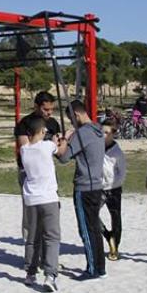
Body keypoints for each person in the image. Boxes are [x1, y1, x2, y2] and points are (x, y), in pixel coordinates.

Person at [57, 99, 107, 279]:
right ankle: (100, 267)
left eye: (71, 119)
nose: (71, 122)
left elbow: (63, 158)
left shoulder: (82, 133)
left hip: (84, 186)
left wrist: (64, 141)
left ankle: (93, 269)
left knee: (86, 229)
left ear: (77, 115)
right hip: (96, 185)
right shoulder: (97, 129)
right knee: (94, 228)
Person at [19, 114, 67, 292]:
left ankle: (30, 273)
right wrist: (63, 139)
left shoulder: (24, 149)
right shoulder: (47, 146)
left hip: (31, 199)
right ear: (42, 131)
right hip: (48, 199)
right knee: (52, 237)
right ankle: (50, 274)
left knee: (32, 238)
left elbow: (37, 143)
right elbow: (60, 150)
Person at [100, 122, 126, 261]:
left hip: (114, 189)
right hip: (99, 188)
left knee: (116, 218)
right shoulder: (97, 148)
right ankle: (107, 234)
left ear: (113, 134)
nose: (103, 135)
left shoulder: (117, 152)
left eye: (106, 132)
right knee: (91, 215)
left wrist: (114, 184)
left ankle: (115, 247)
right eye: (101, 132)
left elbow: (122, 172)